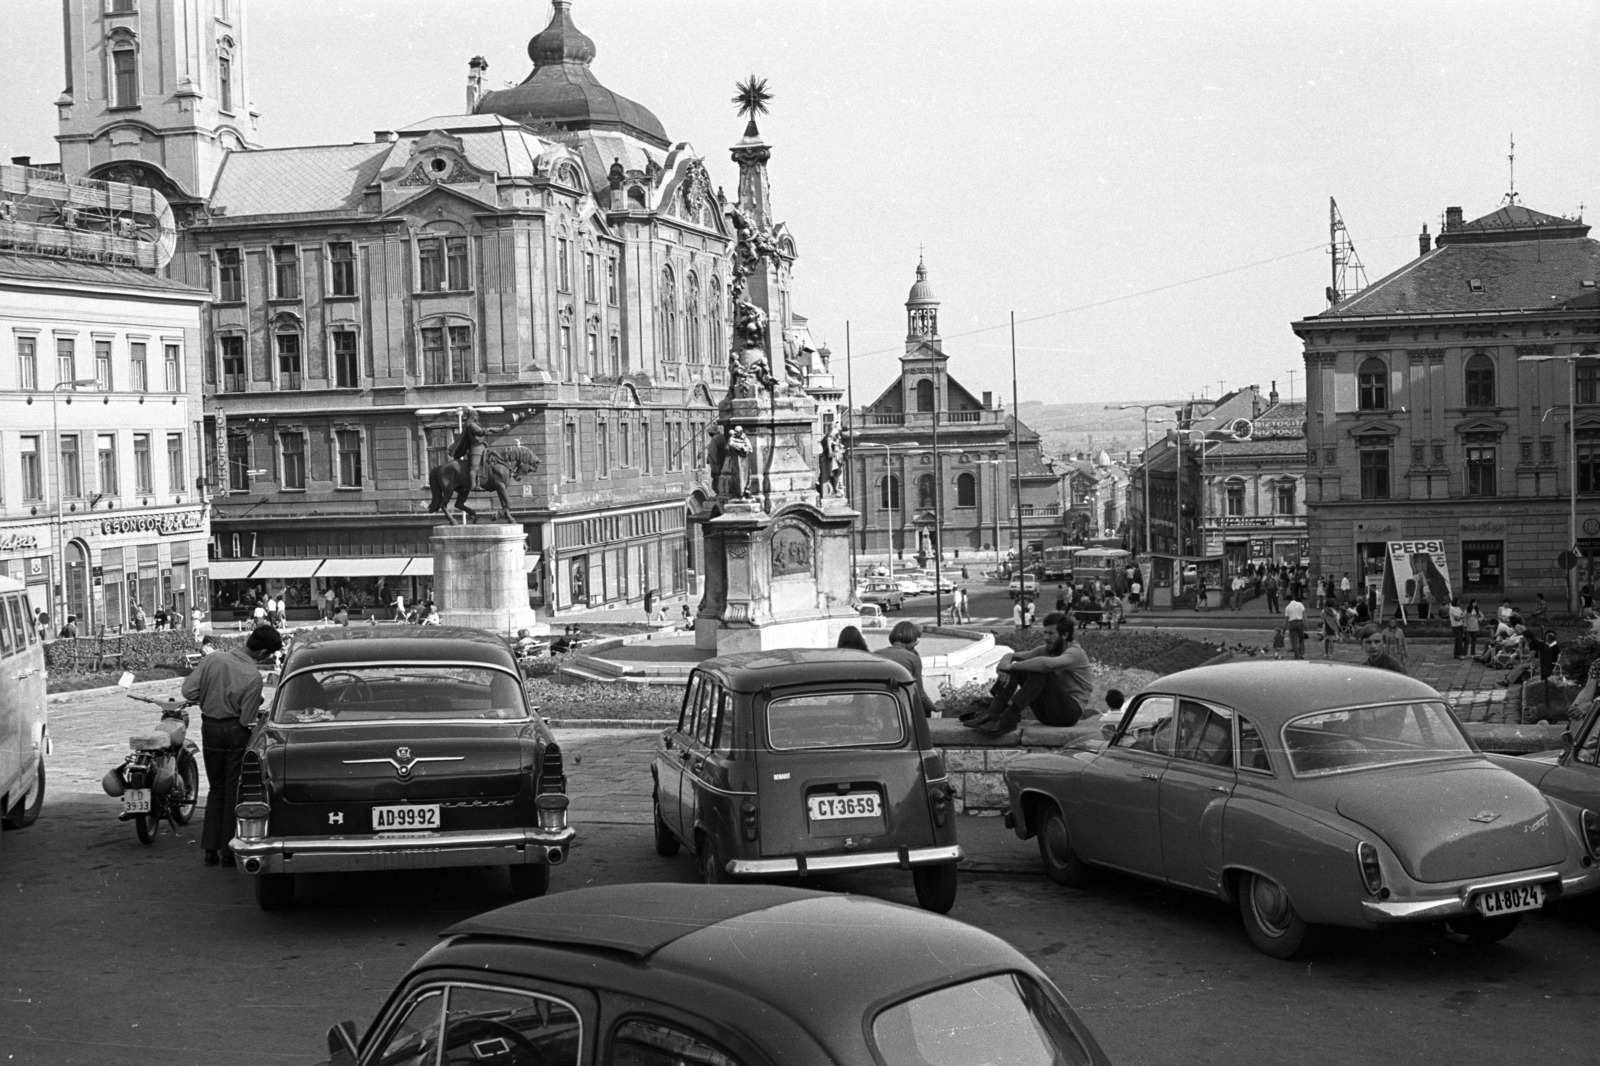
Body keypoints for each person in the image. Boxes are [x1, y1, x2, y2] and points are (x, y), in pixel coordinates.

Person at [183, 623, 279, 866]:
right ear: (262, 653)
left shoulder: (212, 660)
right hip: (234, 731)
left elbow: (188, 692)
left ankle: (209, 849)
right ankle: (228, 851)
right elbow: (247, 719)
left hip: (210, 729)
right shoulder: (253, 676)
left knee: (216, 788)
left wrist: (208, 696)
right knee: (231, 790)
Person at [965, 613, 1094, 735]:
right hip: (1046, 714)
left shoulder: (1075, 652)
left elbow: (1047, 665)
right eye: (1045, 632)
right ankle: (992, 712)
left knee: (1040, 671)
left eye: (1050, 633)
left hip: (1068, 714)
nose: (1046, 637)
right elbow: (1012, 655)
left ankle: (1008, 717)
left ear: (1065, 635)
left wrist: (1012, 666)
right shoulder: (1048, 649)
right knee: (1023, 665)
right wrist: (1004, 667)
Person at [876, 621, 938, 719]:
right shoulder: (913, 658)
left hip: (882, 706)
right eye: (915, 640)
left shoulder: (876, 654)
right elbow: (920, 693)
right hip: (904, 707)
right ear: (911, 639)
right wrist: (935, 707)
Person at [1283, 594, 1306, 660]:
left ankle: (1297, 655)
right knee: (1301, 639)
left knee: (1294, 640)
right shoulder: (1300, 604)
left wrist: (1284, 629)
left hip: (1292, 623)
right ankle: (1301, 653)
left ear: (1288, 600)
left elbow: (1286, 619)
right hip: (1300, 622)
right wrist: (1306, 624)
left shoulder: (1287, 607)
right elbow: (1304, 615)